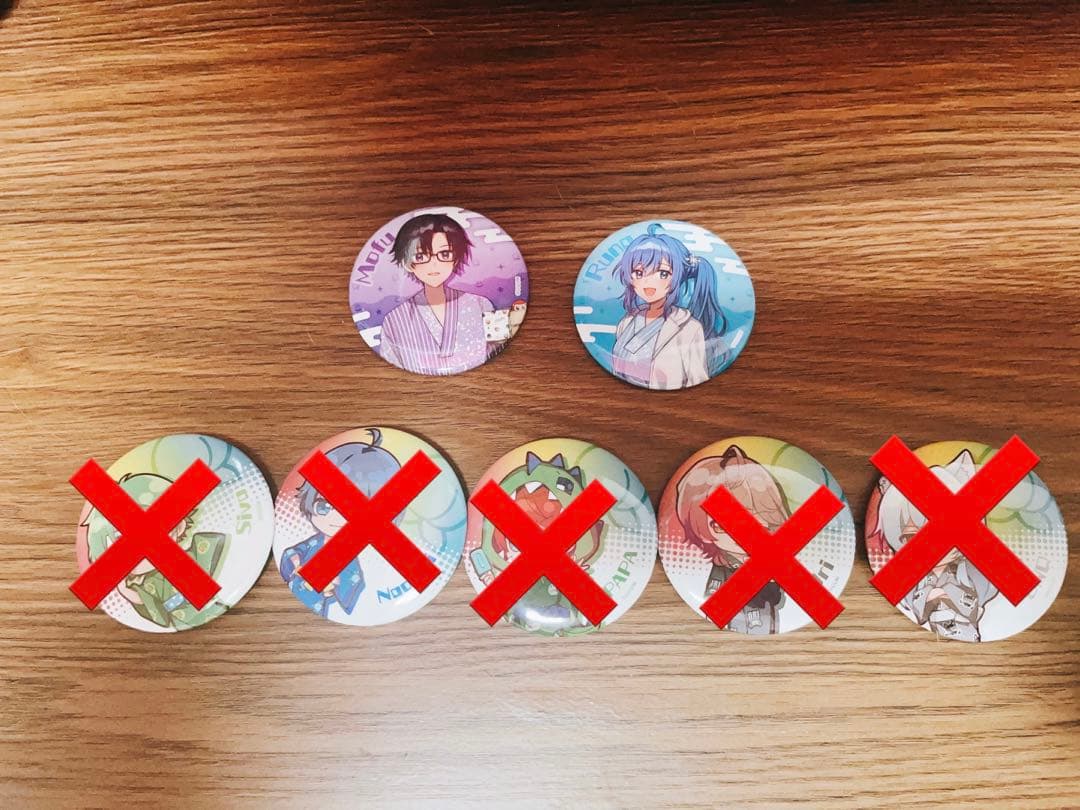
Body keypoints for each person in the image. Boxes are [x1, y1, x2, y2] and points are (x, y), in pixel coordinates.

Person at [280, 430, 402, 619]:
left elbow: (355, 590)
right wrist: (295, 562)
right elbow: (292, 555)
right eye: (323, 506)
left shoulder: (364, 557)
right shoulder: (313, 543)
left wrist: (334, 586)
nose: (336, 518)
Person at [83, 473, 229, 629]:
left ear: (179, 527)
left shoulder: (202, 550)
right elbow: (160, 617)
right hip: (185, 625)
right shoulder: (146, 584)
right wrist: (127, 592)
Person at [674, 445, 788, 634]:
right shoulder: (722, 567)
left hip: (763, 626)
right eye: (720, 525)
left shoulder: (771, 562)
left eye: (754, 524)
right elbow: (713, 604)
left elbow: (778, 599)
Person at [378, 213, 501, 375]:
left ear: (455, 258)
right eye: (421, 256)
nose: (434, 264)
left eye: (444, 254)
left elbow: (500, 350)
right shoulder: (394, 320)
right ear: (407, 263)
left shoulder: (481, 304)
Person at [610, 223, 727, 389]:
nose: (648, 282)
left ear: (678, 277)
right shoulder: (626, 323)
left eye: (663, 273)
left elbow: (697, 379)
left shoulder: (689, 328)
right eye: (639, 273)